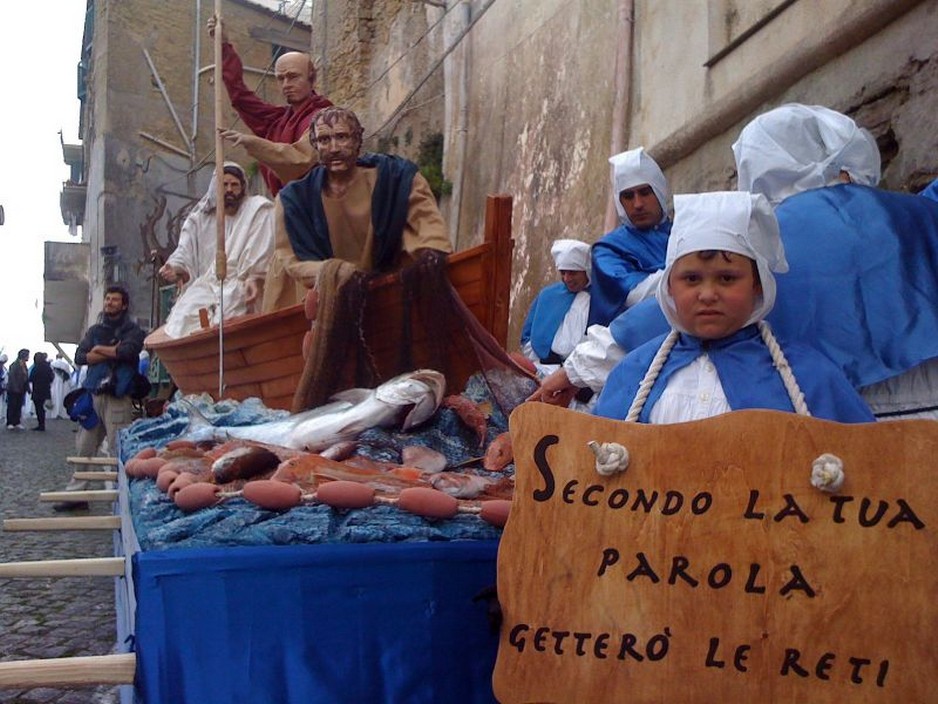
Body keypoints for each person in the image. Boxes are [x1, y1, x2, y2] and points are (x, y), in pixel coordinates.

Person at [593, 191, 874, 424]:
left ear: (758, 285)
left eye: (727, 279)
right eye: (691, 279)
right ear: (668, 287)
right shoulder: (633, 374)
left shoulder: (809, 378)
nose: (707, 294)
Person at [261, 106, 454, 312]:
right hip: (327, 301)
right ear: (315, 145)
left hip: (390, 293)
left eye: (342, 137)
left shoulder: (395, 180)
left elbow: (427, 225)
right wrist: (336, 272)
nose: (334, 147)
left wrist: (432, 256)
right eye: (324, 140)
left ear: (357, 139)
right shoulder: (293, 200)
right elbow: (292, 260)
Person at [208, 16, 333, 196]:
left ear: (311, 78)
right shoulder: (275, 121)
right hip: (284, 207)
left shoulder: (325, 118)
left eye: (293, 77)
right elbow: (240, 96)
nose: (286, 84)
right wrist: (223, 46)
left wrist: (253, 143)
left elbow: (299, 160)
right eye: (281, 78)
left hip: (317, 208)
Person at [159, 162, 275, 338]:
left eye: (234, 185)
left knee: (228, 310)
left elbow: (262, 249)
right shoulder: (200, 219)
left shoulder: (256, 209)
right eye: (224, 184)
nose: (229, 189)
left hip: (241, 283)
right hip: (208, 282)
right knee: (183, 315)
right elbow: (185, 249)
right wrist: (176, 267)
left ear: (242, 187)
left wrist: (254, 275)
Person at [55, 285, 145, 511]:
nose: (109, 303)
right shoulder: (95, 330)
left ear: (124, 304)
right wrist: (108, 350)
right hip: (94, 394)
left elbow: (127, 352)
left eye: (115, 300)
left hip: (118, 396)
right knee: (84, 448)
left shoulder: (133, 331)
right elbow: (80, 356)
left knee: (118, 448)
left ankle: (122, 498)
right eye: (107, 299)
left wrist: (99, 351)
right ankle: (76, 495)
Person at [588, 147, 672, 327]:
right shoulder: (607, 249)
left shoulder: (683, 232)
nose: (638, 204)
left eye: (645, 192)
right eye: (628, 196)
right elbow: (635, 295)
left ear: (659, 191)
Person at [519, 239, 592, 378]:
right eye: (563, 273)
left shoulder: (600, 300)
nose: (567, 278)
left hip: (582, 375)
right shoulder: (548, 295)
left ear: (586, 271)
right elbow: (527, 336)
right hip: (543, 368)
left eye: (573, 273)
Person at [28, 352, 54, 431]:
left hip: (37, 390)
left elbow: (31, 378)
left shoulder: (36, 367)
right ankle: (42, 424)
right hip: (45, 390)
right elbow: (51, 378)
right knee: (42, 408)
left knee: (38, 408)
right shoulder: (47, 367)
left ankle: (41, 424)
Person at [5, 349, 29, 430]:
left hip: (21, 389)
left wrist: (27, 387)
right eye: (27, 355)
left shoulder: (24, 365)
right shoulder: (14, 365)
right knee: (12, 406)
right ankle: (10, 422)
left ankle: (17, 422)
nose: (28, 357)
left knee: (18, 406)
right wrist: (15, 388)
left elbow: (26, 377)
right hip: (13, 389)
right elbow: (12, 378)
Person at [49, 354, 74, 419]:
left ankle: (55, 414)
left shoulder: (52, 364)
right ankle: (62, 414)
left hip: (54, 383)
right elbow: (68, 376)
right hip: (64, 383)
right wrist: (71, 385)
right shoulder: (66, 365)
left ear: (56, 357)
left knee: (55, 398)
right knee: (63, 398)